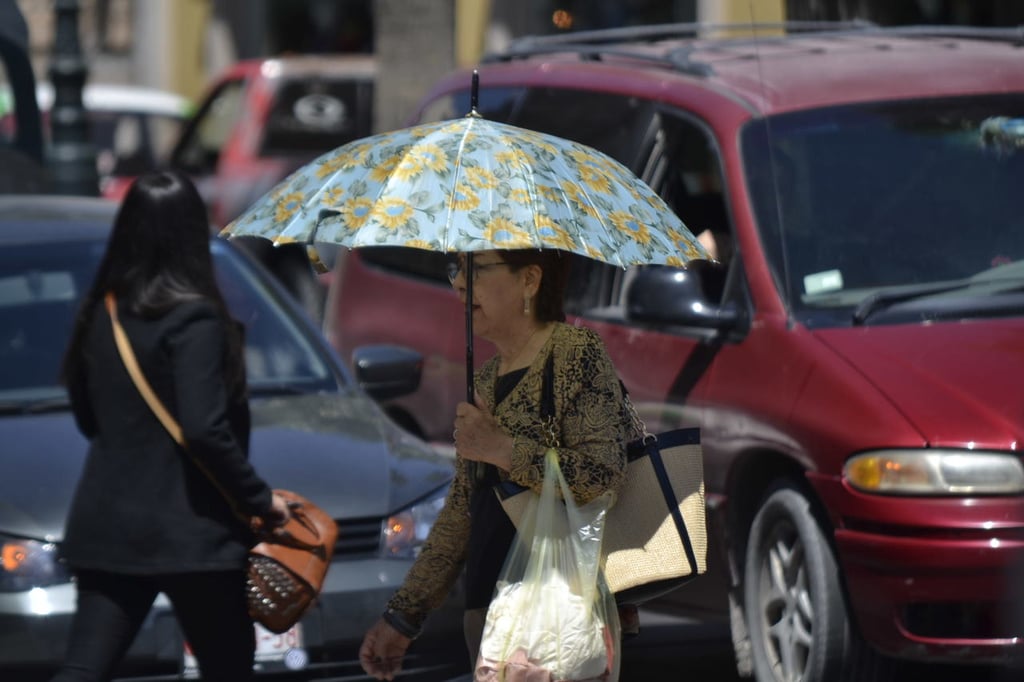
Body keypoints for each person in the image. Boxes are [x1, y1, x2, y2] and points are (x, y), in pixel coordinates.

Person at [52, 171, 291, 682]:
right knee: (227, 668)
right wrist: (259, 499)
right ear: (191, 232)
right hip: (194, 535)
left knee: (83, 668)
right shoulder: (197, 320)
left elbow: (88, 419)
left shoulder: (102, 313)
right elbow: (204, 429)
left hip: (109, 529)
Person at [359, 249, 638, 680]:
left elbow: (602, 475)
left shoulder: (574, 353)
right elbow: (462, 510)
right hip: (490, 617)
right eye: (456, 268)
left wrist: (503, 449)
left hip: (558, 613)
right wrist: (402, 617)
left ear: (529, 280)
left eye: (475, 269)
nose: (458, 283)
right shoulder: (487, 377)